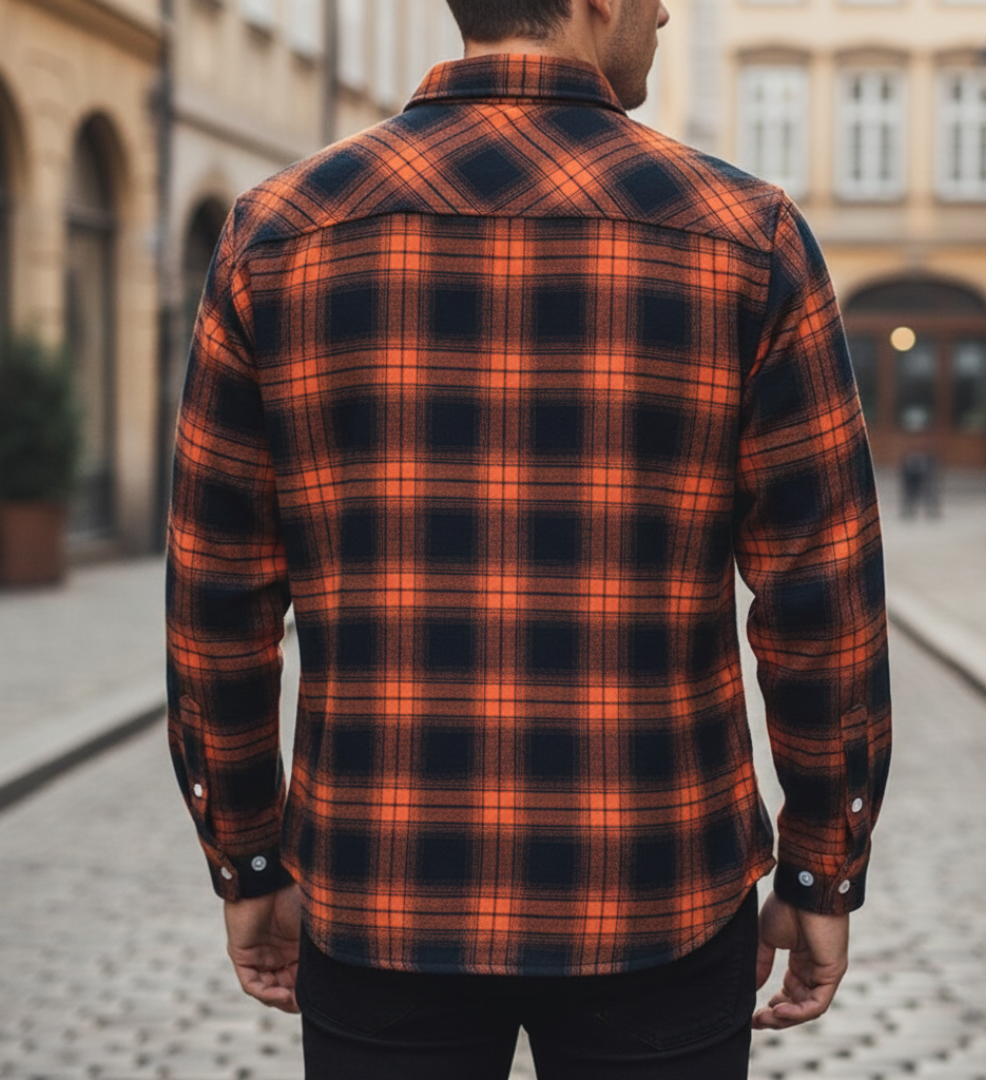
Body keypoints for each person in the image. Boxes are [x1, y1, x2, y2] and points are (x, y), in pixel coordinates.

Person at [166, 1, 892, 1076]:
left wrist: (248, 855)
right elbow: (821, 601)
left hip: (379, 889)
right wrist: (821, 868)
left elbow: (216, 602)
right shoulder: (750, 237)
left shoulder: (276, 234)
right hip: (660, 892)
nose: (663, 11)